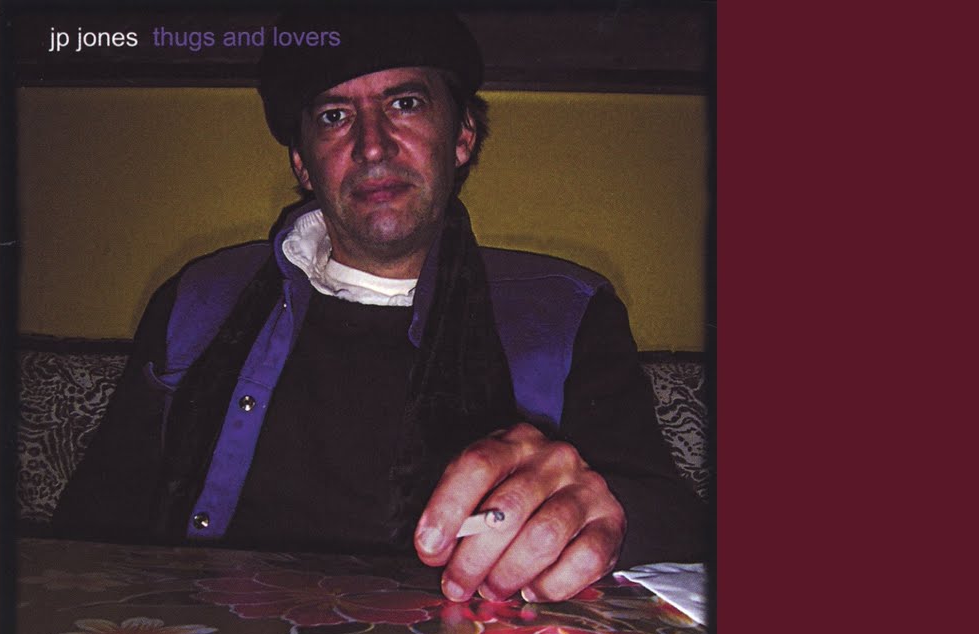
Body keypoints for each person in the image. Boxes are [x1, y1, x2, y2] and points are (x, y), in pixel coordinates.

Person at [52, 9, 707, 603]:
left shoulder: (567, 311)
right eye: (334, 116)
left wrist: (605, 518)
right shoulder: (199, 298)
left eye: (405, 103)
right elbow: (90, 526)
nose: (372, 145)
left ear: (462, 136)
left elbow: (675, 524)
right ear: (303, 163)